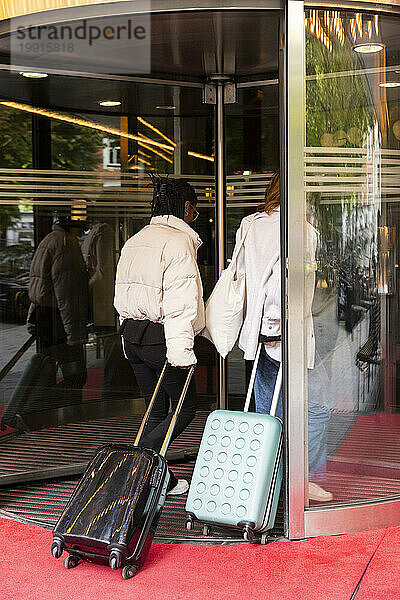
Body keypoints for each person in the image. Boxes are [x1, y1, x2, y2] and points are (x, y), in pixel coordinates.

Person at [233, 172, 333, 503]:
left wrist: (261, 325)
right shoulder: (301, 230)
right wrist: (277, 323)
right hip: (286, 328)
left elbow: (242, 278)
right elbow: (288, 283)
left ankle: (269, 484)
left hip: (259, 332)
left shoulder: (249, 225)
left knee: (267, 409)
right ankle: (302, 479)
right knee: (319, 403)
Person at [114, 175, 204, 495]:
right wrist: (181, 353)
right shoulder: (178, 242)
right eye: (195, 208)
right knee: (185, 409)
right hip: (160, 338)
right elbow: (179, 304)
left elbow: (122, 295)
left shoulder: (136, 239)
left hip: (132, 335)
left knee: (156, 410)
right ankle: (133, 465)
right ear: (186, 206)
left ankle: (152, 481)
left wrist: (127, 340)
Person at [27, 215, 89, 403]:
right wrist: (73, 334)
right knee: (76, 375)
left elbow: (38, 283)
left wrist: (31, 316)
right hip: (58, 319)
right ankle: (64, 411)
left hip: (44, 315)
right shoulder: (65, 243)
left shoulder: (48, 240)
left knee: (49, 369)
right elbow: (67, 292)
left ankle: (49, 409)